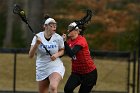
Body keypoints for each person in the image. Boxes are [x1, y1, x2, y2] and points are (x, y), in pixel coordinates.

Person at [29, 16, 65, 93]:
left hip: (55, 66)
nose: (54, 27)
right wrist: (36, 44)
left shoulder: (58, 38)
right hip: (42, 67)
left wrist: (56, 55)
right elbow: (30, 55)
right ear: (45, 26)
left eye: (55, 25)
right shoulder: (37, 37)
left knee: (53, 87)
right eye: (51, 25)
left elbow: (62, 50)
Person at [62, 21, 97, 93]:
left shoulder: (81, 41)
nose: (68, 30)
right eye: (68, 28)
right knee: (67, 89)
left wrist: (64, 42)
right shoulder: (69, 42)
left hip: (89, 74)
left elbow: (71, 53)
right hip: (76, 73)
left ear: (77, 31)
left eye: (70, 29)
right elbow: (64, 52)